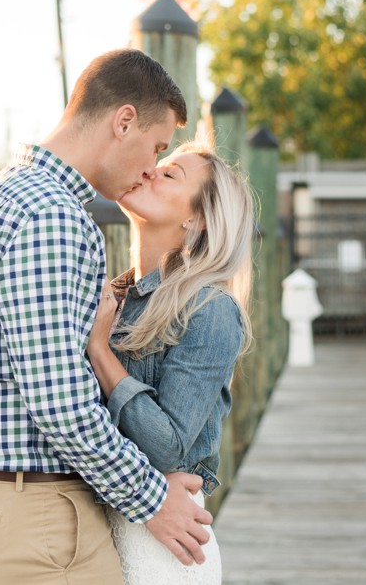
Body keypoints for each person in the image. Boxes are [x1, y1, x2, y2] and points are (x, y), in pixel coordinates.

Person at [0, 48, 213, 585]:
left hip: (38, 510)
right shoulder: (51, 215)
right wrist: (153, 501)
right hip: (41, 517)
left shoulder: (13, 192)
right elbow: (58, 403)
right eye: (156, 147)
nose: (150, 169)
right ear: (124, 121)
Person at [86, 141, 254, 584]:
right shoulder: (109, 297)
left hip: (165, 546)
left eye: (170, 173)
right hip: (97, 529)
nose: (148, 172)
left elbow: (169, 449)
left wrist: (101, 353)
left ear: (196, 218)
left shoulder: (210, 309)